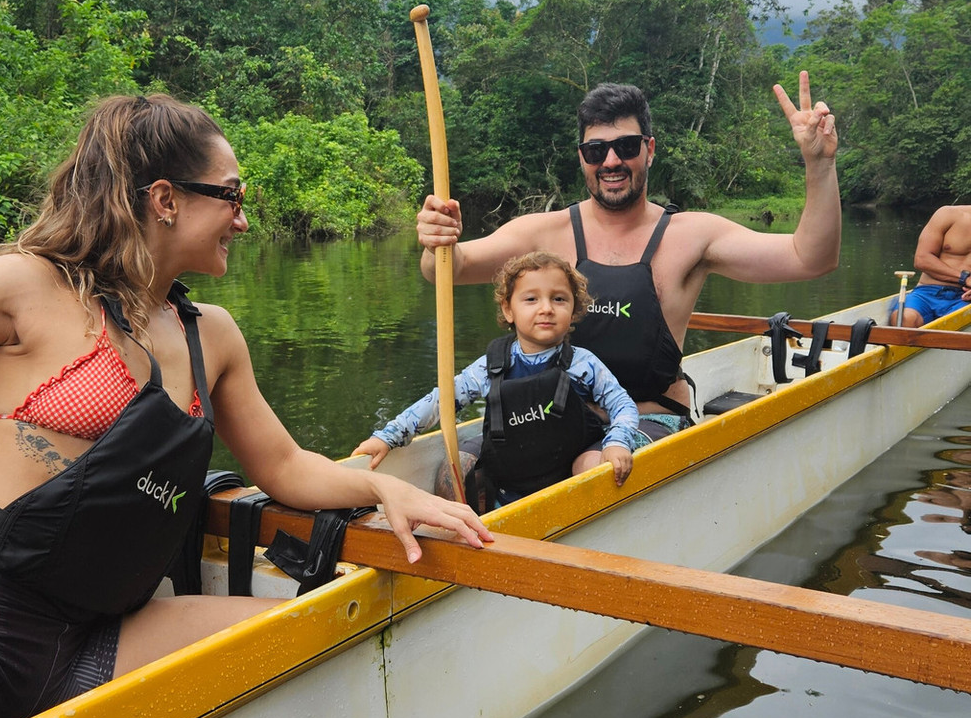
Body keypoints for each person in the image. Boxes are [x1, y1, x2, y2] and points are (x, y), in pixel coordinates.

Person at [0, 93, 493, 718]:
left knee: (316, 637)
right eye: (232, 197)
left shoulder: (215, 337)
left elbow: (285, 467)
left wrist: (384, 489)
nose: (243, 219)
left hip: (103, 629)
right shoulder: (22, 288)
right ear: (165, 200)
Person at [416, 71, 840, 440]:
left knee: (598, 469)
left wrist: (818, 165)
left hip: (651, 420)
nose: (612, 161)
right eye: (596, 151)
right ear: (583, 158)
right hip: (557, 420)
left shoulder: (693, 235)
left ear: (649, 149)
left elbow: (810, 258)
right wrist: (438, 242)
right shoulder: (543, 232)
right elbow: (448, 270)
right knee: (462, 476)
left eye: (627, 146)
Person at [352, 251, 643, 510]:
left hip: (569, 460)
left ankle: (578, 527)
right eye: (531, 299)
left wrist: (617, 443)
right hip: (511, 464)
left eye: (559, 299)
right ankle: (467, 527)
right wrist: (388, 436)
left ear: (573, 309)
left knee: (597, 467)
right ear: (508, 310)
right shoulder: (492, 364)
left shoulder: (584, 363)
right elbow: (442, 401)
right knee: (457, 466)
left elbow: (624, 407)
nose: (546, 308)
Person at [887, 205, 971, 327]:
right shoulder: (948, 214)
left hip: (965, 300)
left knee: (956, 325)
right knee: (904, 319)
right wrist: (965, 278)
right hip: (927, 293)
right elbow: (922, 259)